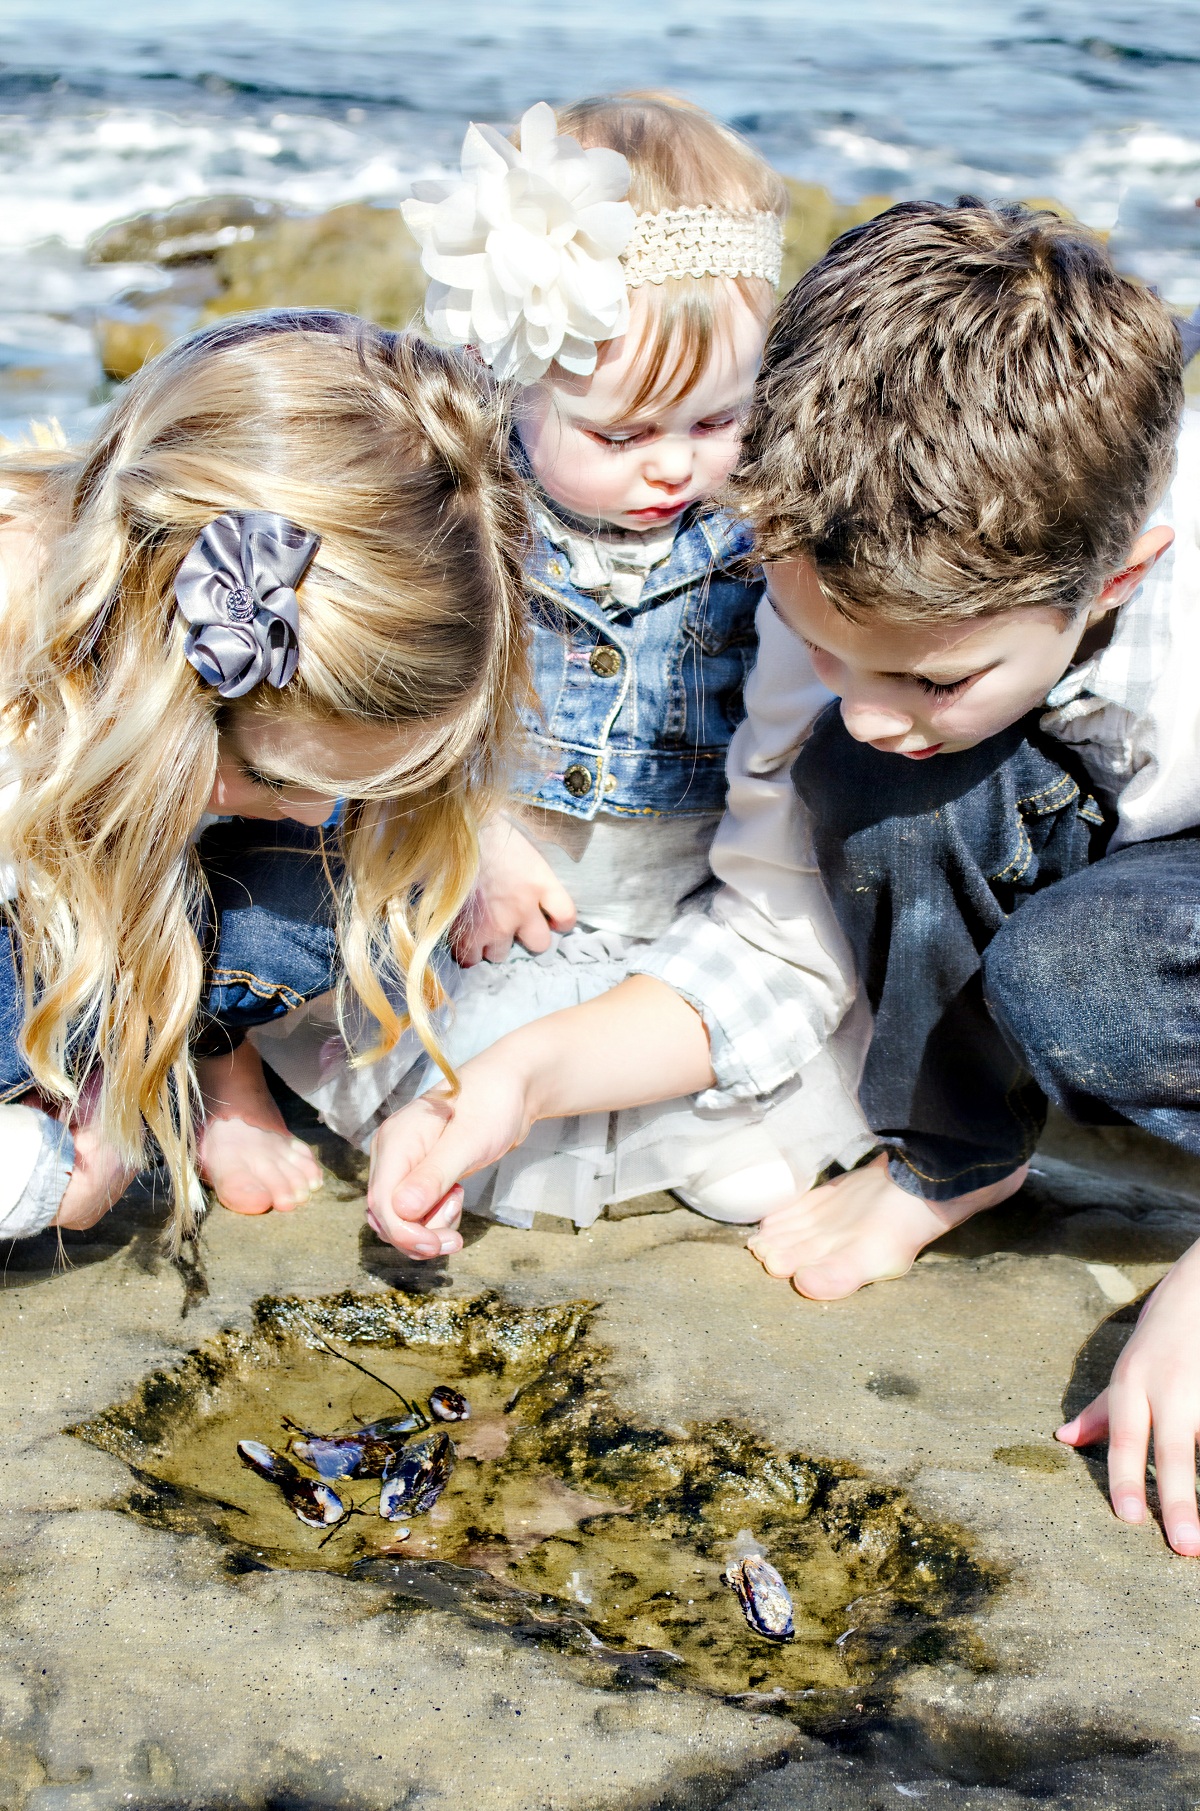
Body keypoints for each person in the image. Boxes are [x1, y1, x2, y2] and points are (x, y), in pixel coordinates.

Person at [363, 200, 1200, 1559]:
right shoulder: (834, 576)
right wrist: (523, 1074)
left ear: (1121, 576)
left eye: (930, 674)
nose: (862, 708)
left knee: (1080, 978)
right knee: (878, 788)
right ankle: (958, 1149)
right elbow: (774, 931)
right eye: (829, 649)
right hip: (1083, 799)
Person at [249, 94, 873, 1231]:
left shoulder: (757, 530)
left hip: (679, 882)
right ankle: (434, 1105)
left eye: (717, 419)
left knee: (736, 1120)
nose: (672, 467)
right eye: (622, 434)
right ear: (512, 383)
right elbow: (404, 704)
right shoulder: (474, 513)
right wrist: (475, 828)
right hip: (495, 877)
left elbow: (782, 756)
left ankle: (666, 1109)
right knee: (459, 1037)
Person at [0, 309, 527, 1246]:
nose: (319, 812)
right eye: (270, 774)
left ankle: (199, 1055)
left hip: (87, 902)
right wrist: (43, 1180)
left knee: (353, 880)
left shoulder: (165, 696)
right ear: (163, 673)